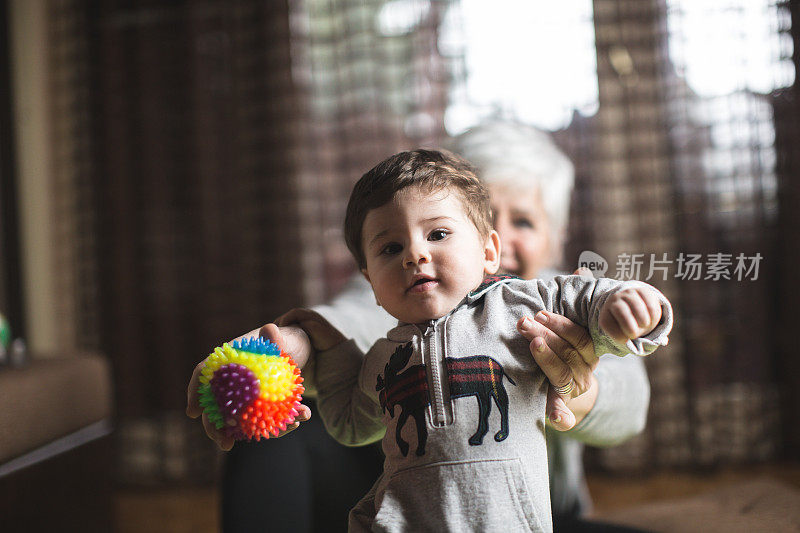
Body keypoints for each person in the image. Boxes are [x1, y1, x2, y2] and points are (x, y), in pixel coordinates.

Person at [186, 121, 654, 531]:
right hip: (413, 506)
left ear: (554, 239)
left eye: (524, 222)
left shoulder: (555, 296)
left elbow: (630, 401)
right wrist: (299, 341)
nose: (504, 239)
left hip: (533, 515)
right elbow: (355, 321)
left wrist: (576, 379)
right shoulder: (410, 274)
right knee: (276, 432)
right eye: (460, 221)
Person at [298, 148, 672, 531]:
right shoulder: (408, 295)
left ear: (489, 248)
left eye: (523, 221)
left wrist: (626, 310)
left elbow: (624, 374)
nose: (415, 253)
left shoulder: (538, 299)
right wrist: (303, 337)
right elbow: (349, 335)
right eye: (392, 247)